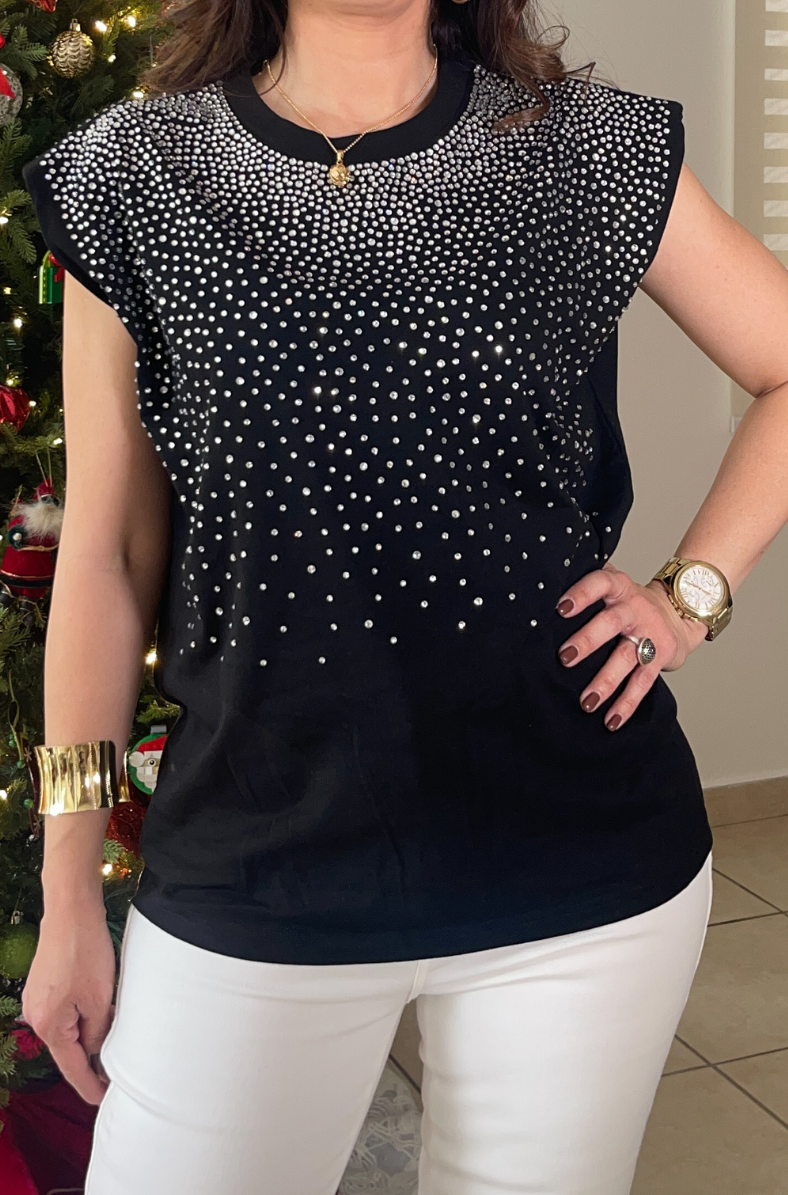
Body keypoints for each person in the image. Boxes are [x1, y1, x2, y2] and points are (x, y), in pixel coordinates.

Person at [18, 0, 788, 1191]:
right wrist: (69, 884)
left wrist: (689, 595)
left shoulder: (580, 143)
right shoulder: (135, 171)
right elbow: (109, 556)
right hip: (253, 865)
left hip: (579, 871)